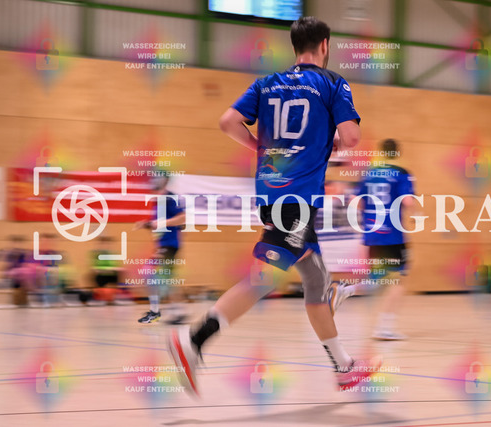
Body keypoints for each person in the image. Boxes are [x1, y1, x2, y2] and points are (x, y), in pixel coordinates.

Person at [167, 16, 381, 396]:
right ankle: (193, 339)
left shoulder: (266, 83)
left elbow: (228, 121)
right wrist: (329, 141)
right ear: (325, 45)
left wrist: (259, 147)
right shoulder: (333, 83)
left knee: (316, 281)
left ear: (294, 46)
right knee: (262, 279)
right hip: (296, 200)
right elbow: (351, 138)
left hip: (271, 195)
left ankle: (344, 367)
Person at [328, 139, 415, 340]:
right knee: (398, 282)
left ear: (381, 152)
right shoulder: (402, 173)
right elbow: (408, 201)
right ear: (397, 153)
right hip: (392, 235)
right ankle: (384, 328)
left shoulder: (369, 173)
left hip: (372, 234)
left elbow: (356, 202)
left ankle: (346, 289)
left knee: (379, 278)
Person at [134, 173, 187, 324]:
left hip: (169, 245)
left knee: (149, 272)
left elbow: (183, 218)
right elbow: (157, 224)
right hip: (164, 245)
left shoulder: (169, 197)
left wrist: (163, 223)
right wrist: (146, 224)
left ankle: (156, 312)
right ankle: (178, 312)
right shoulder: (158, 201)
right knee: (166, 278)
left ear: (164, 180)